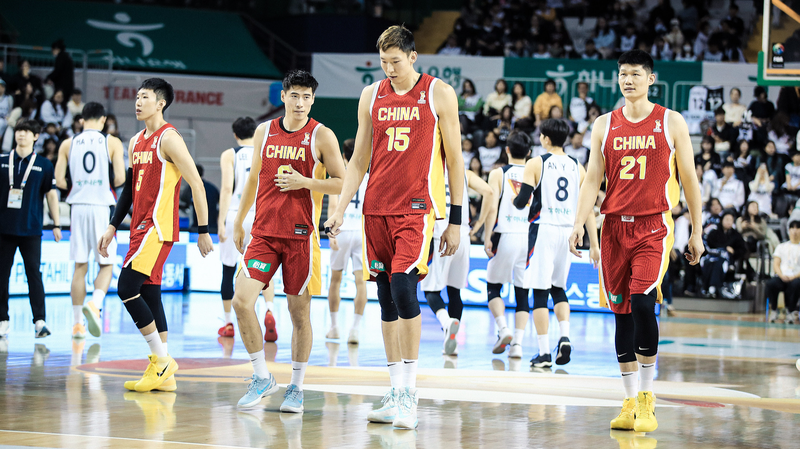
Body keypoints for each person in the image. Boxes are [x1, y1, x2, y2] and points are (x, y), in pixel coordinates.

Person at [324, 25, 464, 430]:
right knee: (385, 298)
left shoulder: (438, 93)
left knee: (404, 288)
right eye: (383, 62)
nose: (389, 68)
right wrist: (340, 209)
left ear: (413, 57)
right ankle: (395, 389)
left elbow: (455, 159)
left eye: (396, 61)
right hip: (375, 211)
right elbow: (358, 161)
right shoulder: (371, 95)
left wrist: (455, 220)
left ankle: (410, 394)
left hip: (416, 210)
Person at [569, 50, 704, 434]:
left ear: (651, 79)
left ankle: (647, 396)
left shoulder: (670, 121)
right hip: (613, 228)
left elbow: (690, 178)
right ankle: (628, 401)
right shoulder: (603, 124)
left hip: (653, 227)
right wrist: (579, 224)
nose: (628, 80)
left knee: (644, 302)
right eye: (623, 74)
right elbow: (592, 179)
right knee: (622, 313)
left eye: (635, 74)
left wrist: (697, 230)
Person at [231, 70, 345, 413]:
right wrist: (239, 220)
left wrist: (305, 182)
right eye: (294, 95)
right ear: (283, 96)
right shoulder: (264, 131)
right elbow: (253, 178)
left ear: (313, 100)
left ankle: (296, 386)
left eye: (306, 97)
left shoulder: (322, 135)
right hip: (264, 233)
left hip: (301, 236)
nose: (300, 102)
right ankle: (261, 376)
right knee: (241, 302)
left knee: (299, 313)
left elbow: (342, 181)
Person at [98, 78, 214, 393]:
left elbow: (197, 183)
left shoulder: (170, 138)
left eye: (145, 97)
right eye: (137, 96)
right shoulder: (136, 141)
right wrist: (112, 225)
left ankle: (161, 361)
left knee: (126, 287)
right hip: (138, 227)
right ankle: (165, 376)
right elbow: (128, 190)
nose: (138, 102)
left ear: (160, 103)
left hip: (157, 227)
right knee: (150, 295)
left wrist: (203, 230)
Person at [513, 119, 599, 367]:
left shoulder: (535, 163)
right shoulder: (577, 166)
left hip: (544, 230)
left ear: (546, 139)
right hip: (568, 232)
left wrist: (516, 198)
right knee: (558, 289)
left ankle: (544, 353)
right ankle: (565, 337)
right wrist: (594, 244)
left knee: (540, 293)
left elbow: (521, 201)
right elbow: (587, 208)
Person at [54, 102, 126, 339]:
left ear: (81, 120)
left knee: (80, 266)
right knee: (106, 264)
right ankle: (95, 305)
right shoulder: (112, 142)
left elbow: (59, 181)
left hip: (78, 207)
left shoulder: (68, 143)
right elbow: (120, 178)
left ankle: (77, 325)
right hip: (101, 207)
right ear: (103, 120)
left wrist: (79, 185)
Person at [216, 117, 277, 342]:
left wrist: (221, 221)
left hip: (237, 214)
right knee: (264, 270)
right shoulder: (267, 151)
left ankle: (228, 323)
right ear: (255, 132)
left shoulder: (229, 154)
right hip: (262, 215)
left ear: (235, 135)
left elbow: (226, 188)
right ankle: (269, 310)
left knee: (228, 269)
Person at [0, 119, 62, 339]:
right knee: (1, 276)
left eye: (26, 131)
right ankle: (2, 320)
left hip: (31, 229)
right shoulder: (2, 161)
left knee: (34, 275)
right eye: (19, 130)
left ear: (36, 136)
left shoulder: (44, 164)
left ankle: (39, 321)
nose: (21, 134)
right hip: (4, 229)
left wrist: (56, 224)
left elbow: (51, 195)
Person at [422, 165, 493, 356]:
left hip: (440, 235)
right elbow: (488, 191)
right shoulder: (464, 172)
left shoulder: (429, 169)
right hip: (462, 235)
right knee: (455, 292)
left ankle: (446, 323)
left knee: (430, 290)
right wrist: (479, 223)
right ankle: (450, 342)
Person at [482, 131, 532, 358]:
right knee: (523, 293)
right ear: (529, 152)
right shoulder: (535, 171)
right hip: (529, 237)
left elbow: (492, 207)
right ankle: (518, 346)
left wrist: (487, 236)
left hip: (505, 234)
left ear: (507, 150)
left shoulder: (498, 173)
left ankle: (503, 329)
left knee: (493, 287)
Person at [325, 139, 368, 344]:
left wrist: (329, 231)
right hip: (361, 231)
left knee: (335, 281)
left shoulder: (338, 174)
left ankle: (334, 328)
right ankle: (355, 330)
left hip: (341, 230)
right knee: (361, 282)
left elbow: (333, 204)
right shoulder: (369, 175)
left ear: (343, 156)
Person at [702, 211, 746, 298]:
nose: (728, 222)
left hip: (728, 259)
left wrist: (733, 251)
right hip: (712, 256)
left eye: (731, 220)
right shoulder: (714, 233)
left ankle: (713, 287)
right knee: (710, 263)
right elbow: (709, 244)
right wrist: (724, 247)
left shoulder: (736, 235)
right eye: (727, 219)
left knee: (719, 263)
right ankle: (706, 287)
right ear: (722, 220)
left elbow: (742, 250)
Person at [767, 220, 800, 323]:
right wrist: (781, 275)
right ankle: (774, 310)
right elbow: (776, 264)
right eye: (792, 228)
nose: (795, 231)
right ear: (788, 230)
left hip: (796, 277)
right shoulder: (781, 246)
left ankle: (790, 311)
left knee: (796, 284)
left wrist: (794, 276)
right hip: (782, 276)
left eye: (797, 228)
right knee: (771, 284)